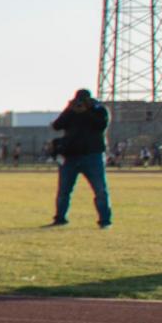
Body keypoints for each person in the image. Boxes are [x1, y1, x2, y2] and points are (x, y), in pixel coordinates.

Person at [50, 88, 112, 227]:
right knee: (64, 191)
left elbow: (101, 125)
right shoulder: (71, 112)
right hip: (71, 156)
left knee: (100, 190)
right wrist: (68, 110)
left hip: (92, 155)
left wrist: (87, 111)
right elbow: (56, 125)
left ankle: (104, 220)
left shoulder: (99, 110)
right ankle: (60, 218)